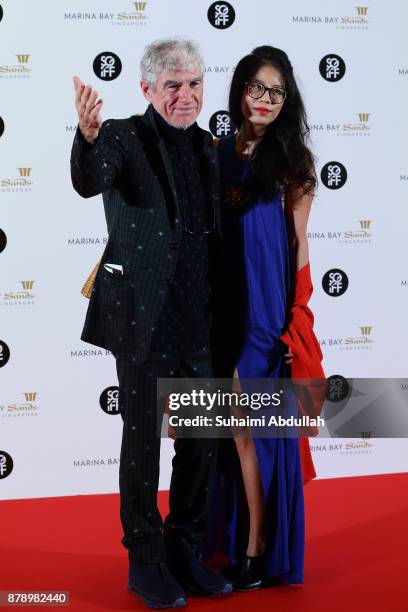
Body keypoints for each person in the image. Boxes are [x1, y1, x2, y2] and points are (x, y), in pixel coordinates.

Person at [70, 38, 232, 609]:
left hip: (198, 316)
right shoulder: (119, 136)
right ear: (146, 89)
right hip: (141, 315)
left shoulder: (209, 147)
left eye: (193, 85)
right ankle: (144, 557)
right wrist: (86, 138)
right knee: (142, 443)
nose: (185, 96)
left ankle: (185, 544)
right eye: (172, 86)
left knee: (201, 439)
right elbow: (91, 178)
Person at [209, 45, 323, 590]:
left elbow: (299, 246)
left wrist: (297, 313)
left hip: (263, 309)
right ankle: (227, 540)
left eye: (277, 92)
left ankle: (256, 545)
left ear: (287, 100)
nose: (265, 100)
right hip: (219, 303)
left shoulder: (294, 164)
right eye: (257, 87)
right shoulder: (215, 153)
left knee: (247, 423)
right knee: (224, 428)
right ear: (240, 90)